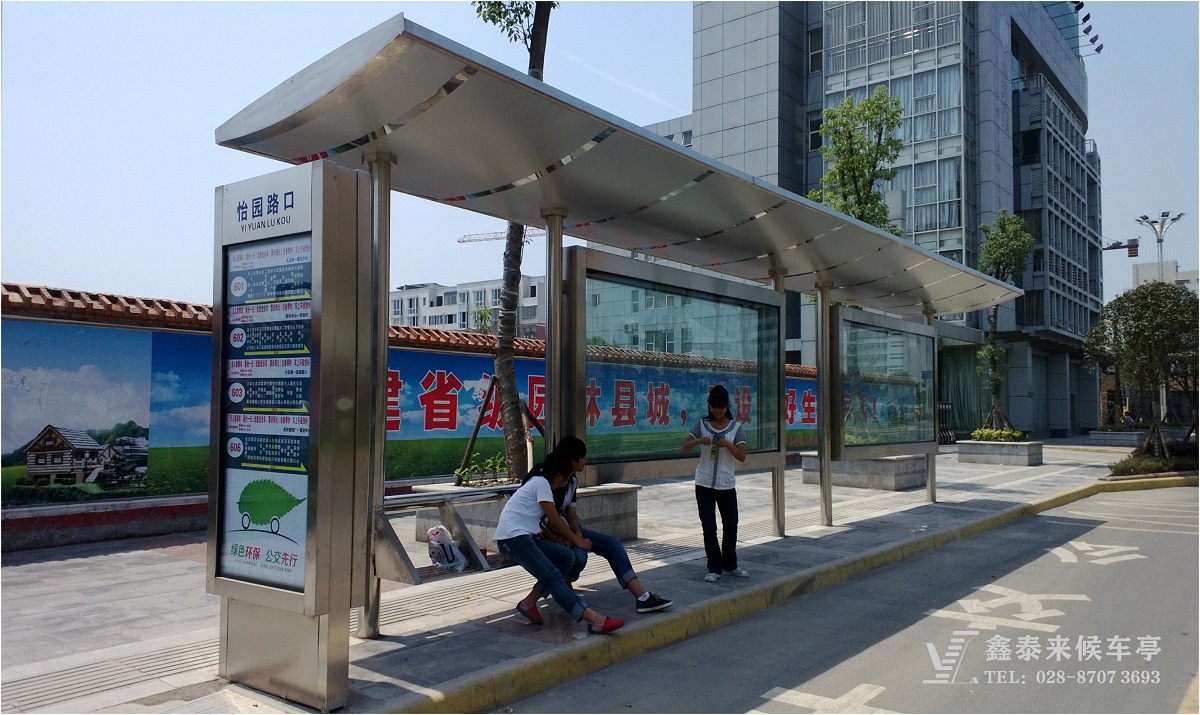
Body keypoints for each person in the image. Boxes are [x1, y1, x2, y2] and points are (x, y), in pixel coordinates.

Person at [520, 436, 673, 614]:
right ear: (572, 460)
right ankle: (561, 586)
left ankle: (642, 597)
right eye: (583, 457)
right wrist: (565, 539)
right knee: (578, 557)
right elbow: (544, 520)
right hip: (543, 534)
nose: (586, 460)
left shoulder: (572, 481)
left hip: (566, 531)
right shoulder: (545, 478)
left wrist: (577, 535)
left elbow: (572, 515)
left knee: (612, 544)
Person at [495, 451, 624, 633]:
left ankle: (529, 603)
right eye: (567, 476)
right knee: (553, 576)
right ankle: (594, 620)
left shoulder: (540, 484)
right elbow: (555, 520)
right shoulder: (541, 483)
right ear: (558, 476)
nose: (568, 481)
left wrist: (557, 539)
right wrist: (578, 540)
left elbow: (540, 522)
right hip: (513, 539)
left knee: (566, 557)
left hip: (526, 537)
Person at [681, 384, 748, 583]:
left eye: (721, 407)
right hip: (704, 484)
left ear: (727, 406)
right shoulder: (702, 425)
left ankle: (730, 564)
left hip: (726, 484)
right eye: (714, 407)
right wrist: (697, 441)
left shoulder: (736, 427)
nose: (717, 411)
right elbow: (684, 447)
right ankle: (714, 567)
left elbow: (742, 456)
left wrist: (728, 444)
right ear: (709, 406)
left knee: (731, 524)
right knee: (709, 527)